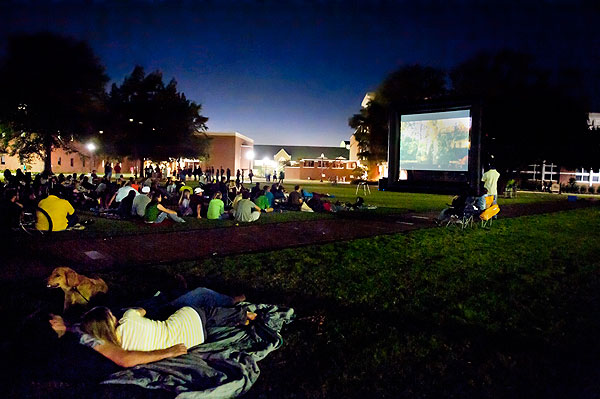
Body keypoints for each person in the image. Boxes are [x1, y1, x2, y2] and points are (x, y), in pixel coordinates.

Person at [78, 304, 254, 368]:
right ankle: (244, 314)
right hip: (190, 319)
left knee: (203, 321)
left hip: (194, 341)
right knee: (203, 312)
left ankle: (237, 319)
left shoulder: (118, 348)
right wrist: (130, 311)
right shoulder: (127, 319)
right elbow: (142, 310)